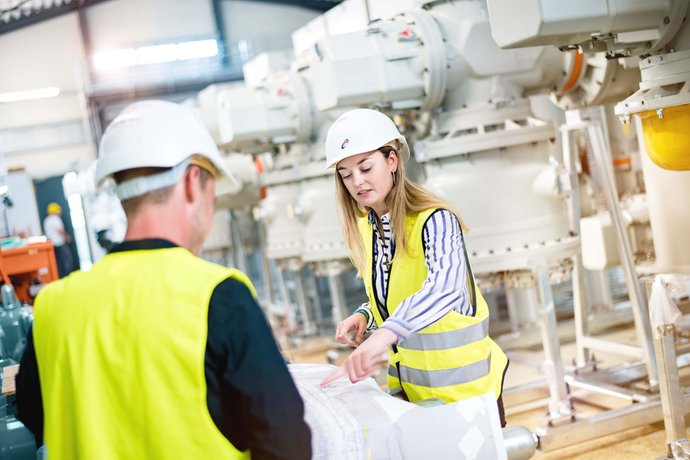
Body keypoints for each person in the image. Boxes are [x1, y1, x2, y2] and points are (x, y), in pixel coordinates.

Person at [16, 100, 312, 459]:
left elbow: (33, 416)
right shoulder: (216, 295)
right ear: (191, 182)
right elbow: (285, 440)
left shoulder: (52, 306)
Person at [320, 108, 509, 426]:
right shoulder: (368, 226)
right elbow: (400, 289)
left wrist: (383, 337)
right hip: (415, 394)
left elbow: (444, 288)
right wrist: (366, 316)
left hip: (466, 396)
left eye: (366, 167)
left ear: (392, 161)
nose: (357, 182)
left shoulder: (435, 220)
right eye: (346, 174)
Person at [43, 202, 75, 278]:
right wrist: (67, 236)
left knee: (58, 262)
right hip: (60, 243)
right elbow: (59, 230)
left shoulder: (47, 220)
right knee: (67, 260)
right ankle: (68, 277)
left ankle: (60, 277)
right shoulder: (55, 219)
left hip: (51, 245)